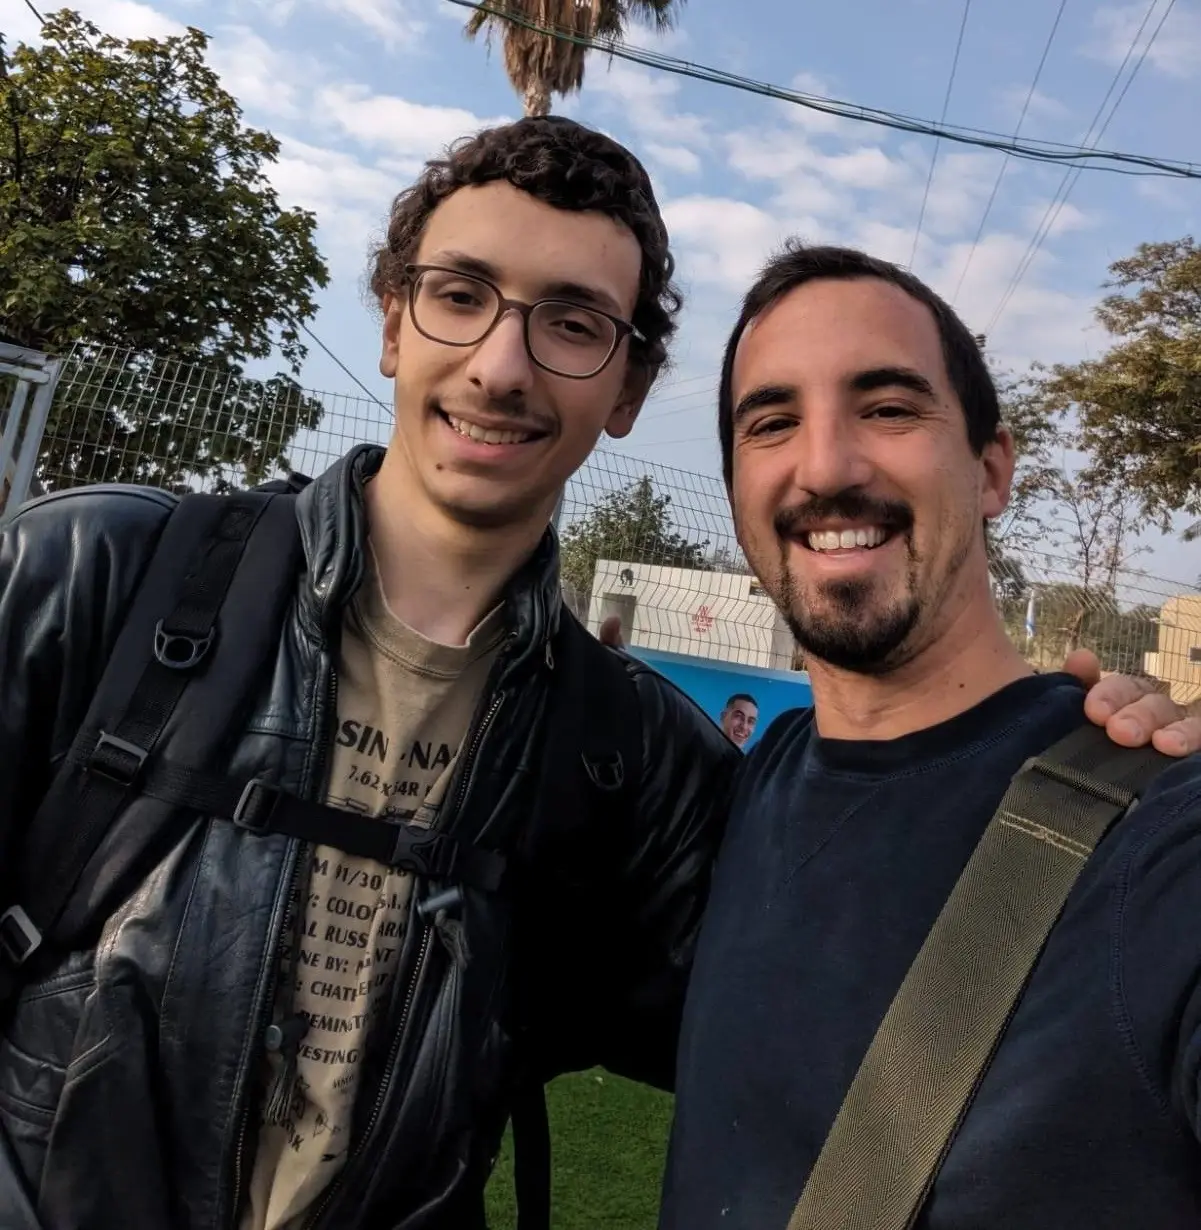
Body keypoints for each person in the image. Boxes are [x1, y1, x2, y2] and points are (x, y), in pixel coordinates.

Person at [0, 121, 1189, 1230]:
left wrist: (1095, 753)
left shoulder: (635, 761)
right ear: (391, 323)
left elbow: (840, 971)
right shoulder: (101, 576)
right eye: (459, 297)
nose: (501, 366)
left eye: (571, 323)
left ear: (624, 392)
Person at [660, 243, 1201, 1230]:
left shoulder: (1159, 835)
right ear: (737, 488)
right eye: (772, 421)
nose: (823, 465)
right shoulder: (755, 783)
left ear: (991, 470)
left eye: (889, 407)